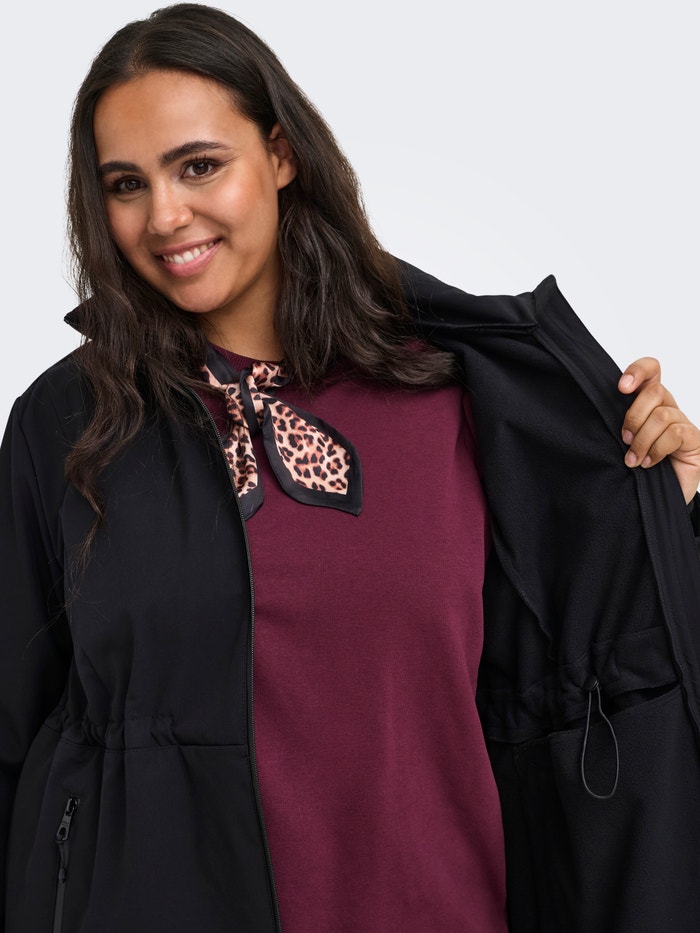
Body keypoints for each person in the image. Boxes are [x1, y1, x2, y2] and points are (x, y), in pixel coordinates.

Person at [1, 4, 699, 932]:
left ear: (282, 154)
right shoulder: (66, 423)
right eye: (126, 184)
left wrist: (665, 510)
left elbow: (599, 694)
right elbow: (13, 732)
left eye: (198, 165)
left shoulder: (460, 393)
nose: (164, 216)